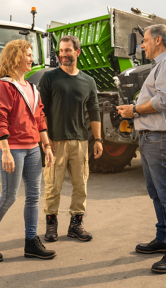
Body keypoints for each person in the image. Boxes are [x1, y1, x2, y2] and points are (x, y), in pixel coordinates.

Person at [0, 39, 56, 261]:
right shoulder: (3, 86)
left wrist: (46, 146)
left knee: (33, 196)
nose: (32, 59)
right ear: (15, 57)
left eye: (32, 55)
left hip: (33, 149)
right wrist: (6, 151)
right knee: (8, 196)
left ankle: (31, 242)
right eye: (28, 54)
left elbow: (40, 119)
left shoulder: (32, 87)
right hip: (13, 149)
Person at [117, 24, 166, 273]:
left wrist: (134, 110)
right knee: (156, 192)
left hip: (160, 137)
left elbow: (164, 100)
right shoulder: (160, 65)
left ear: (158, 40)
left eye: (145, 40)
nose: (142, 45)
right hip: (150, 137)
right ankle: (164, 238)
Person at [38, 35, 103, 243]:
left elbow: (94, 111)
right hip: (54, 141)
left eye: (67, 50)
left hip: (80, 141)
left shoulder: (88, 81)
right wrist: (45, 141)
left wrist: (99, 139)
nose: (63, 54)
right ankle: (51, 223)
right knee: (52, 186)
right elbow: (41, 112)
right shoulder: (49, 78)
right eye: (61, 50)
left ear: (77, 52)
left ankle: (76, 224)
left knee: (80, 185)